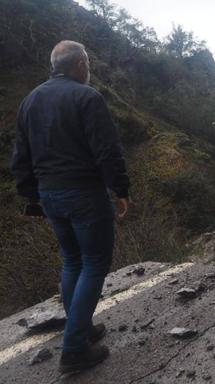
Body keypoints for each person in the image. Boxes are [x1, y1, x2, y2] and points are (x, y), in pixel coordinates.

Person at [10, 40, 130, 373]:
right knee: (93, 264)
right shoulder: (87, 97)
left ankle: (83, 326)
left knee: (72, 260)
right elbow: (107, 150)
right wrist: (120, 189)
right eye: (87, 64)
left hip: (50, 196)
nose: (88, 69)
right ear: (80, 65)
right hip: (85, 195)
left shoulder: (29, 101)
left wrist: (33, 196)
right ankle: (74, 349)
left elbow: (21, 157)